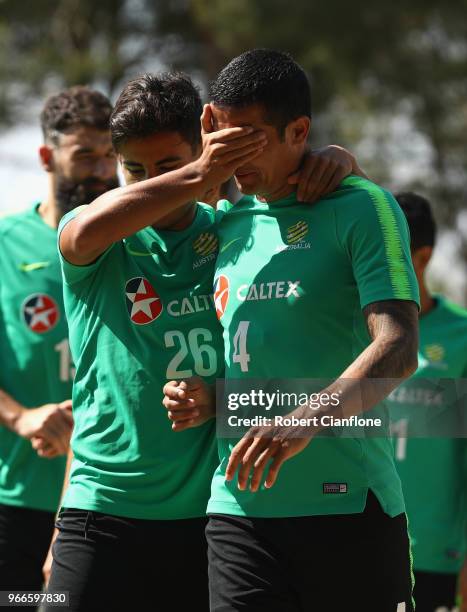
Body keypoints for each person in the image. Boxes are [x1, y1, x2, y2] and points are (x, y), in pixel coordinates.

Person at [47, 71, 361, 611]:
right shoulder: (98, 230)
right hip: (98, 511)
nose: (151, 180)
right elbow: (78, 236)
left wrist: (341, 160)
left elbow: (315, 218)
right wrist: (196, 175)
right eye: (134, 169)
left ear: (203, 142)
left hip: (208, 522)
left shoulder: (233, 232)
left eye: (169, 164)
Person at [163, 49, 420, 612]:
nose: (235, 155)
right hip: (238, 515)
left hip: (349, 508)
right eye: (223, 137)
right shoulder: (223, 222)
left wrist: (305, 419)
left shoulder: (362, 207)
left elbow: (399, 348)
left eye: (251, 137)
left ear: (298, 129)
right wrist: (214, 400)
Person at [0, 86, 118, 596]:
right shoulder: (6, 245)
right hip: (19, 498)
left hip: (109, 500)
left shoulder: (135, 243)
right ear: (47, 156)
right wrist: (21, 416)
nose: (100, 170)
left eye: (111, 156)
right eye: (85, 155)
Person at [389, 192, 467, 612]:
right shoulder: (350, 328)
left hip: (436, 552)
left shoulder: (462, 336)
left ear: (424, 256)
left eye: (395, 253)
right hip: (361, 540)